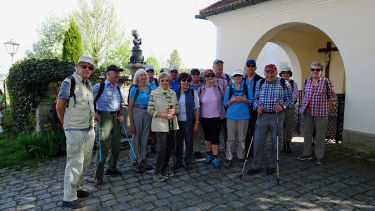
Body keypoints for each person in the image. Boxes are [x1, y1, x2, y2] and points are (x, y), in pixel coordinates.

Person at [56, 55, 95, 209]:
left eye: (90, 67)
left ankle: (76, 188)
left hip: (88, 129)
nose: (87, 69)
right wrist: (66, 125)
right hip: (74, 130)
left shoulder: (89, 84)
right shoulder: (69, 82)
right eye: (84, 66)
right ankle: (68, 197)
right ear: (77, 67)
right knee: (74, 164)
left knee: (84, 163)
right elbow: (60, 106)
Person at [247, 64, 293, 176]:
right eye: (267, 72)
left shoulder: (283, 83)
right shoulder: (260, 83)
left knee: (276, 141)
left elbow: (290, 100)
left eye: (272, 72)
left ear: (276, 72)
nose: (269, 74)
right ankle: (256, 165)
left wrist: (283, 107)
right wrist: (257, 107)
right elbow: (255, 99)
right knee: (258, 141)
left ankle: (272, 165)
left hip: (277, 116)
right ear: (264, 73)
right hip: (262, 116)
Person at [298, 62, 336, 165]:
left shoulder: (326, 82)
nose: (315, 71)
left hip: (321, 111)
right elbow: (306, 95)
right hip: (307, 110)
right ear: (311, 71)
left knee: (320, 134)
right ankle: (307, 154)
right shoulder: (306, 81)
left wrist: (332, 103)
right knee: (307, 133)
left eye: (317, 70)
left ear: (321, 71)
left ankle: (319, 156)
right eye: (313, 69)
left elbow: (332, 96)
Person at [93, 65, 125, 186]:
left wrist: (121, 114)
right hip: (104, 117)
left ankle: (111, 169)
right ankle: (98, 176)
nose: (117, 74)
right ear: (108, 74)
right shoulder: (98, 86)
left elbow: (120, 103)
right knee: (103, 147)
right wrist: (94, 114)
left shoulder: (117, 87)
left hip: (116, 117)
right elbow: (88, 101)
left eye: (118, 73)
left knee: (116, 146)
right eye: (115, 72)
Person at [148, 72, 179, 182]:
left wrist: (175, 111)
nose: (165, 82)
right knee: (162, 149)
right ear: (159, 81)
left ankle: (165, 169)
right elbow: (150, 110)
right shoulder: (154, 93)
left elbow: (178, 108)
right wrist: (164, 115)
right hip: (161, 125)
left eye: (167, 80)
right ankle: (157, 172)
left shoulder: (173, 93)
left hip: (172, 125)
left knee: (169, 148)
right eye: (162, 80)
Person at [223, 68, 252, 168]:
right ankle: (229, 158)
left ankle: (240, 157)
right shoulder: (229, 89)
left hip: (244, 116)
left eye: (239, 76)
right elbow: (225, 104)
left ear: (242, 77)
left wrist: (244, 99)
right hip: (231, 116)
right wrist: (233, 100)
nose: (237, 77)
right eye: (235, 76)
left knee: (242, 139)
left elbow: (251, 102)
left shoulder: (247, 87)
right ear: (232, 77)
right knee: (230, 138)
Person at [198, 69, 225, 169]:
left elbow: (223, 100)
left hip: (216, 117)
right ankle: (209, 154)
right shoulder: (200, 90)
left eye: (212, 76)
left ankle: (215, 157)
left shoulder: (218, 88)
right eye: (208, 76)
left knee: (215, 137)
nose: (210, 78)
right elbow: (198, 104)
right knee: (207, 137)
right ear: (204, 78)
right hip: (204, 117)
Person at [128, 69, 153, 172]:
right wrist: (131, 123)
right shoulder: (134, 89)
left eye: (144, 75)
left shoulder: (149, 88)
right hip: (137, 112)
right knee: (136, 137)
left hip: (147, 113)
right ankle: (134, 160)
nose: (143, 77)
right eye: (140, 76)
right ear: (137, 78)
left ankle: (143, 159)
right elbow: (130, 107)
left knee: (145, 136)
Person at [175, 72, 200, 170]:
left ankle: (188, 161)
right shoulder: (174, 92)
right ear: (180, 81)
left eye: (188, 81)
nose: (186, 82)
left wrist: (197, 122)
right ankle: (178, 161)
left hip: (189, 121)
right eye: (183, 80)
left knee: (189, 142)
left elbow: (197, 108)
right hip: (177, 122)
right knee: (178, 142)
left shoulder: (193, 92)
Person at [243, 59, 263, 154]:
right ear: (245, 68)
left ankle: (255, 150)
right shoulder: (242, 78)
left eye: (252, 66)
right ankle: (247, 149)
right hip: (244, 108)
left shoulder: (260, 79)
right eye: (249, 66)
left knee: (255, 130)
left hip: (255, 109)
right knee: (245, 130)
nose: (250, 68)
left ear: (255, 68)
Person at [279, 66, 299, 153]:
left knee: (289, 126)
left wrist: (286, 104)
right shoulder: (278, 83)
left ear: (290, 74)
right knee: (280, 126)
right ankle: (281, 144)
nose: (285, 74)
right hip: (279, 108)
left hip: (289, 108)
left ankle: (287, 143)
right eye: (283, 73)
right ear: (281, 74)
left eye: (287, 73)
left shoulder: (293, 83)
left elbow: (295, 95)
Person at [212, 59, 230, 152]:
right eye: (218, 65)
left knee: (227, 131)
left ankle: (227, 150)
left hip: (226, 108)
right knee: (215, 131)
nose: (220, 67)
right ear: (213, 67)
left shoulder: (227, 77)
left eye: (221, 65)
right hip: (214, 109)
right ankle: (215, 151)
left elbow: (231, 90)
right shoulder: (210, 77)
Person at [190, 68, 204, 159]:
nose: (195, 76)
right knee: (189, 132)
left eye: (197, 74)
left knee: (198, 132)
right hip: (190, 111)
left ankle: (197, 150)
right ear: (191, 76)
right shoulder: (188, 85)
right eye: (193, 74)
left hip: (201, 111)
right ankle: (189, 149)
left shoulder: (203, 86)